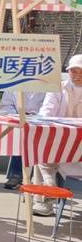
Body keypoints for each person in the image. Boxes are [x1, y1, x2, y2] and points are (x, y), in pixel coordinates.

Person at [33, 54, 82, 215]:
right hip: (59, 140)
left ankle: (47, 193)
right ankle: (46, 197)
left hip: (79, 146)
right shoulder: (58, 88)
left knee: (44, 155)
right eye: (74, 71)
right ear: (68, 72)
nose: (77, 75)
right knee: (41, 150)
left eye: (81, 71)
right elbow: (46, 111)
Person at [0, 90, 44, 190]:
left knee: (26, 134)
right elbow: (6, 106)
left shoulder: (48, 85)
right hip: (17, 119)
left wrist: (35, 117)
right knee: (21, 133)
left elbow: (49, 107)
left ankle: (17, 175)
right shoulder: (13, 84)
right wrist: (18, 116)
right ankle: (16, 174)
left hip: (40, 120)